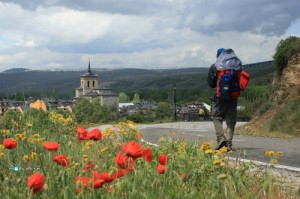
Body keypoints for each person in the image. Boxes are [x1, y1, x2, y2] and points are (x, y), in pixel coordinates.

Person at [207, 48, 242, 151]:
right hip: (234, 96)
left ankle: (221, 138)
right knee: (231, 120)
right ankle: (229, 144)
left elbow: (211, 84)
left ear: (218, 56)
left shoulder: (215, 66)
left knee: (216, 117)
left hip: (220, 97)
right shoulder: (236, 65)